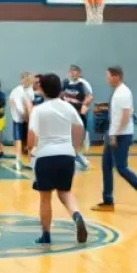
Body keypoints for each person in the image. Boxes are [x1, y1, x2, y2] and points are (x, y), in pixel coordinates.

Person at [27, 73, 87, 248]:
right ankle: (77, 215)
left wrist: (30, 150)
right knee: (65, 191)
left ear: (43, 89)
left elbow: (31, 136)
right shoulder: (68, 108)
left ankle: (46, 235)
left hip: (45, 156)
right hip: (66, 156)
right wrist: (75, 149)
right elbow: (79, 127)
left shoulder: (39, 110)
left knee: (45, 197)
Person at [93, 67, 137, 214]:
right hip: (112, 133)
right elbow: (118, 113)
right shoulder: (117, 92)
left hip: (121, 135)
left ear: (117, 77)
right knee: (106, 166)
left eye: (109, 76)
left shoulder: (124, 92)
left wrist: (115, 135)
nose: (107, 79)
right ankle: (108, 201)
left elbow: (126, 116)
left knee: (121, 167)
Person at [62, 64, 94, 171]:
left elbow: (89, 97)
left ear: (79, 73)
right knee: (67, 138)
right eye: (71, 71)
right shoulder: (65, 84)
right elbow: (61, 96)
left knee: (77, 139)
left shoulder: (83, 84)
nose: (73, 73)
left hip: (78, 115)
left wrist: (83, 107)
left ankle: (81, 159)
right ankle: (75, 159)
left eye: (75, 71)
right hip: (67, 115)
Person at [8, 72, 33, 169]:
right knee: (18, 140)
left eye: (28, 79)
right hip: (19, 119)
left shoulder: (31, 91)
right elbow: (12, 103)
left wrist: (29, 117)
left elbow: (30, 105)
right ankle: (18, 160)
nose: (27, 80)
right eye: (25, 79)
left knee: (29, 141)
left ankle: (32, 162)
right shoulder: (17, 90)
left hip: (29, 119)